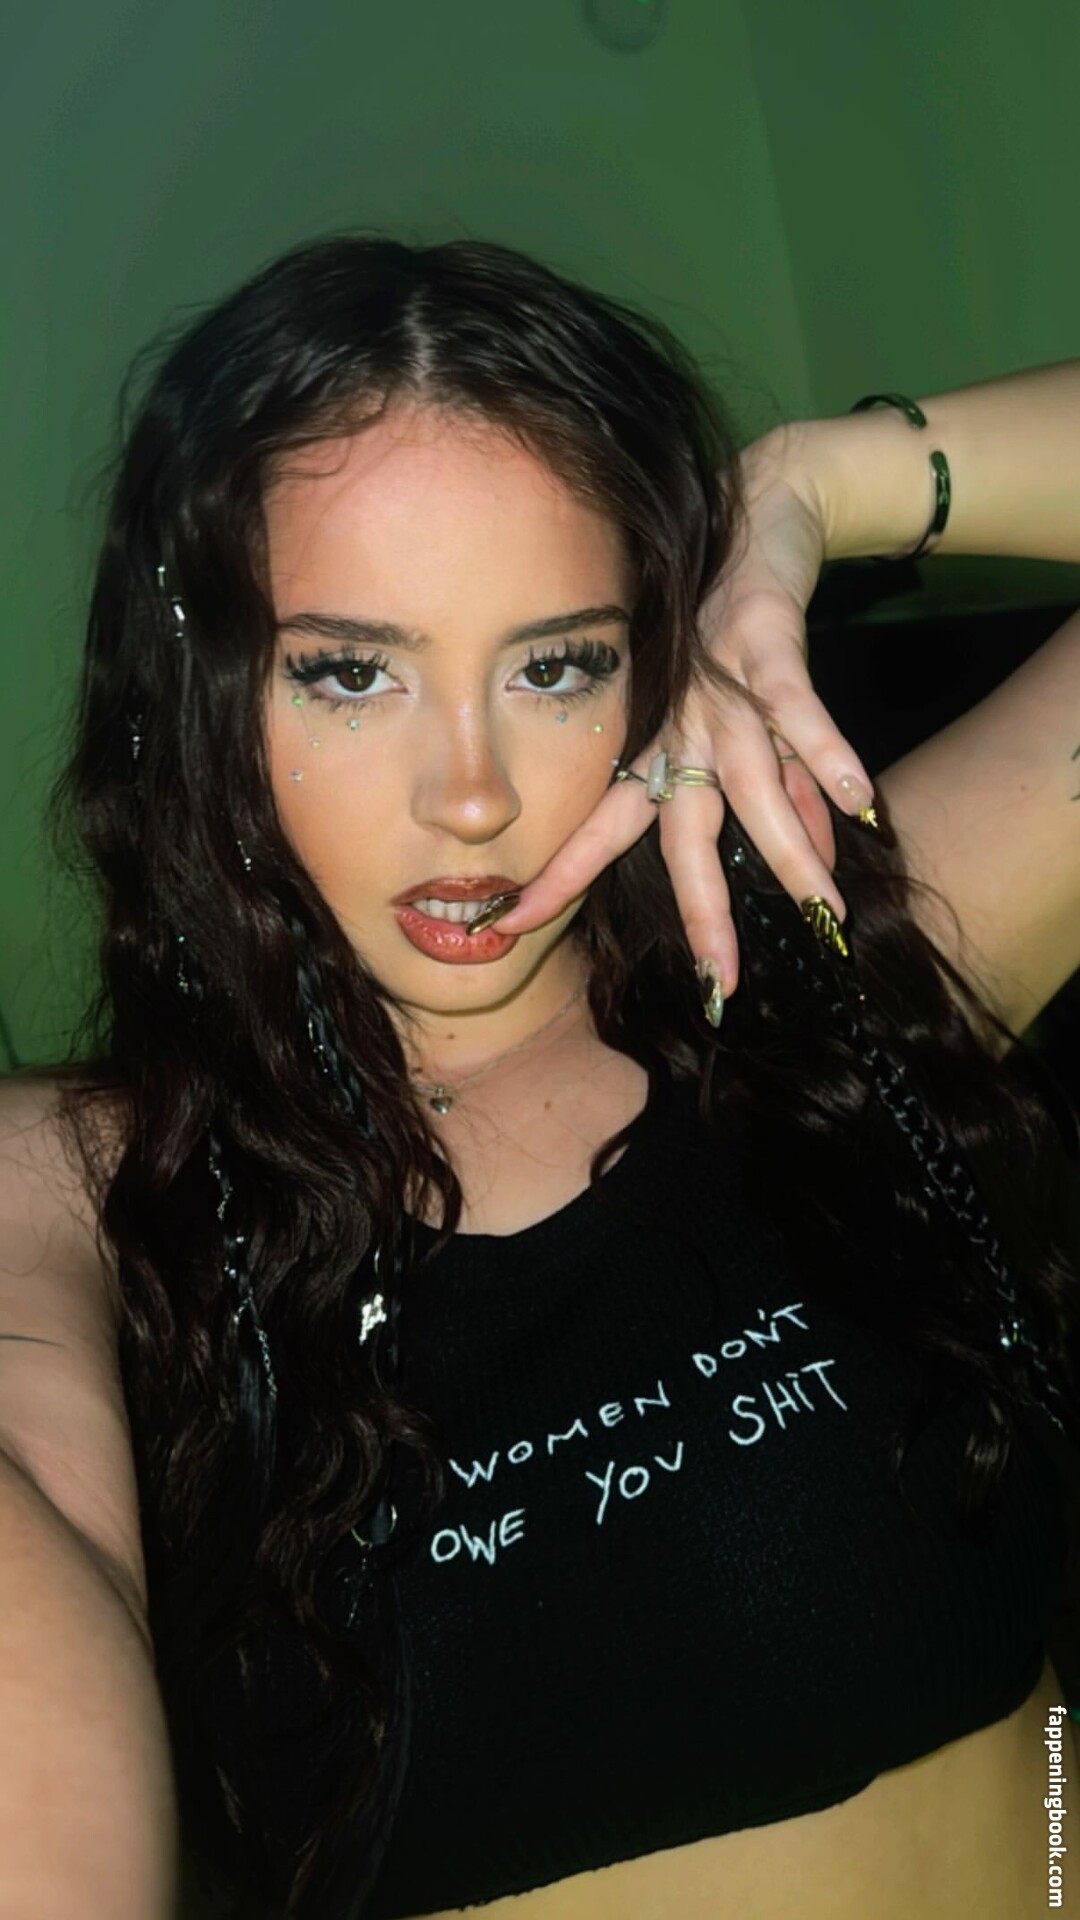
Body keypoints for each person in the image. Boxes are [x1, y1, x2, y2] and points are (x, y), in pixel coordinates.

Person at [0, 233, 1078, 1920]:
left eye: (556, 663)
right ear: (203, 693)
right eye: (350, 672)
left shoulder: (837, 977)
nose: (475, 795)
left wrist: (800, 491)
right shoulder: (80, 1192)